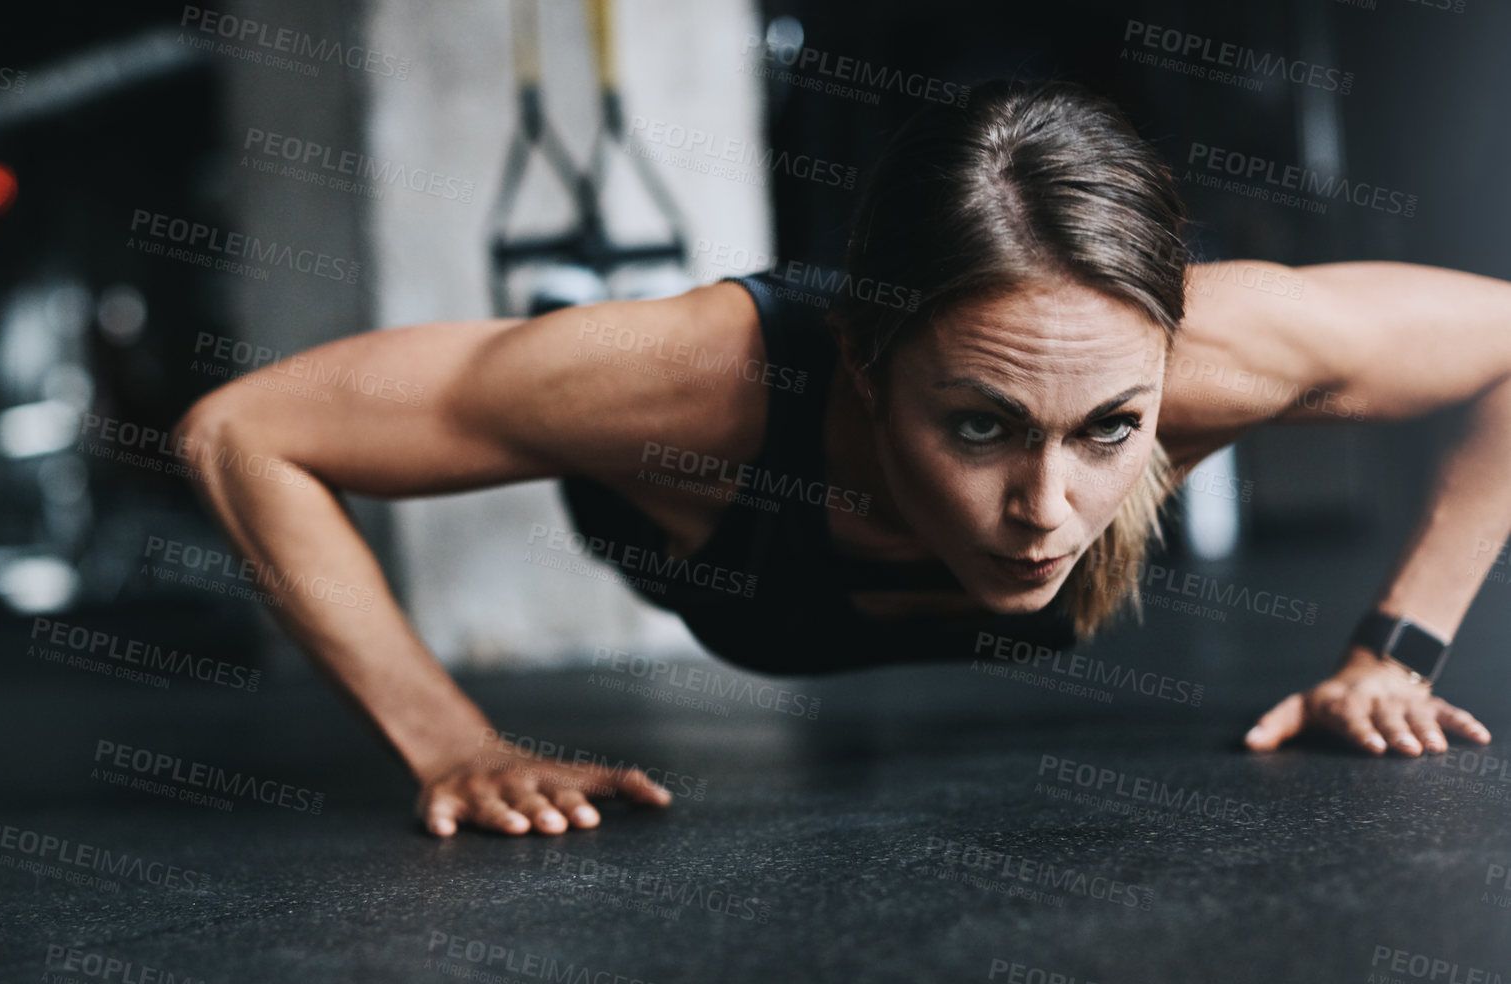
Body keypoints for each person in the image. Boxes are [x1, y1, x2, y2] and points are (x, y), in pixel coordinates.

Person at [175, 79, 1505, 839]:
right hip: (699, 541)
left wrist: (1401, 645)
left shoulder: (1233, 347)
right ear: (867, 368)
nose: (1048, 514)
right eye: (979, 425)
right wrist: (448, 743)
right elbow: (245, 430)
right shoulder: (679, 382)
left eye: (1110, 428)